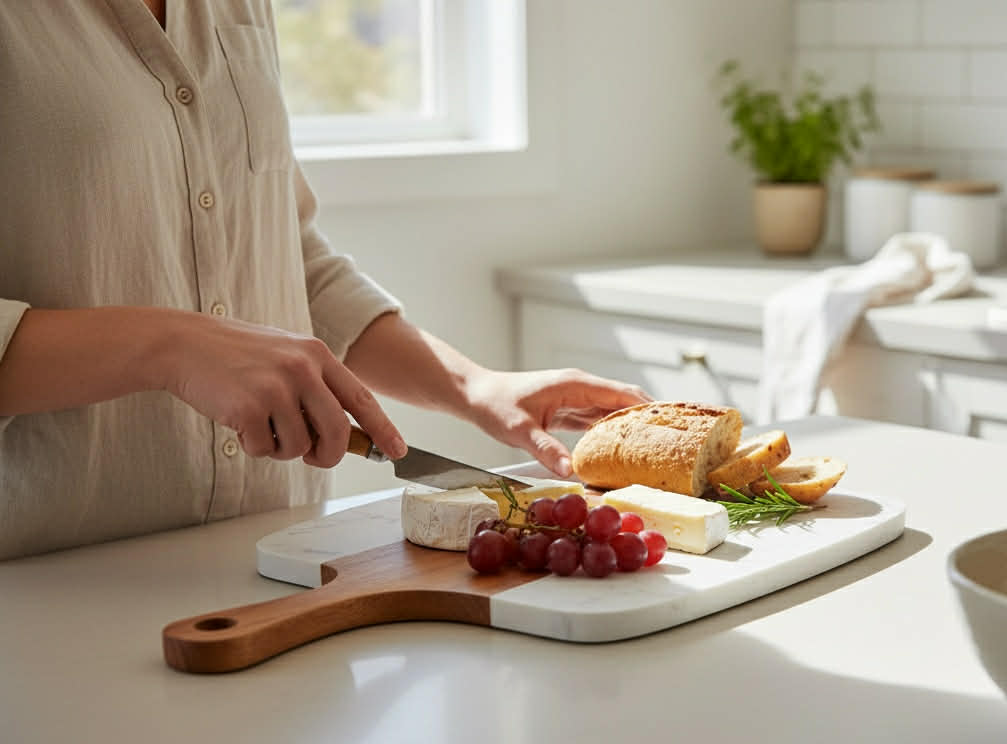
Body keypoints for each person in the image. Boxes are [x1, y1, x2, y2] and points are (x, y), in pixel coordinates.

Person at [0, 2, 648, 559]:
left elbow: (283, 255)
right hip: (58, 598)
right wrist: (169, 346)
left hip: (281, 561)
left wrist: (474, 387)